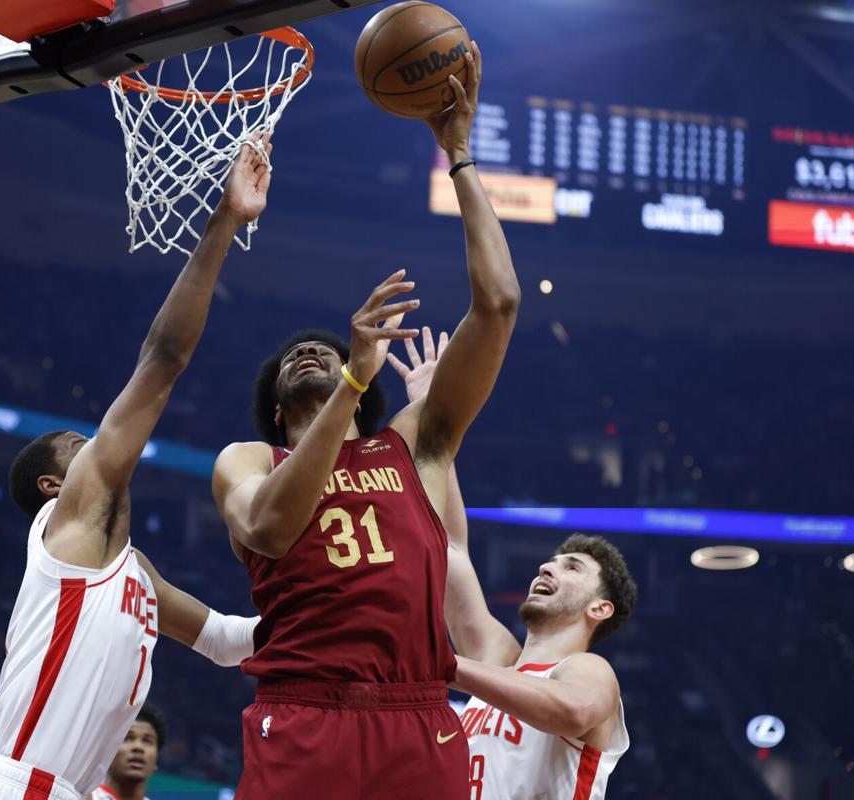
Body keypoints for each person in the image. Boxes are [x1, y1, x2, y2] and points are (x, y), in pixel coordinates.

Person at [212, 43, 522, 799]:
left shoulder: (412, 446)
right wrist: (351, 374)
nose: (311, 354)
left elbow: (500, 305)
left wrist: (459, 156)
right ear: (280, 408)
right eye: (297, 360)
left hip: (420, 716)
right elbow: (273, 530)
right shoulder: (249, 461)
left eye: (326, 350)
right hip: (305, 714)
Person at [0, 134, 272, 800]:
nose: (97, 444)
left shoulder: (127, 569)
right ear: (53, 486)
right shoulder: (65, 524)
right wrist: (223, 223)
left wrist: (329, 612)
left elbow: (223, 639)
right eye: (80, 444)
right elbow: (162, 359)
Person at [391, 329, 637, 800]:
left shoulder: (590, 671)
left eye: (572, 568)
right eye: (549, 562)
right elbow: (450, 548)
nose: (547, 569)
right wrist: (431, 412)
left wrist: (447, 665)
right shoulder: (497, 662)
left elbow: (569, 711)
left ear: (600, 609)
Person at [87, 706, 167, 800]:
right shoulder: (82, 797)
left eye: (147, 741)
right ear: (106, 753)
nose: (138, 747)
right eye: (127, 738)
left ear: (156, 760)